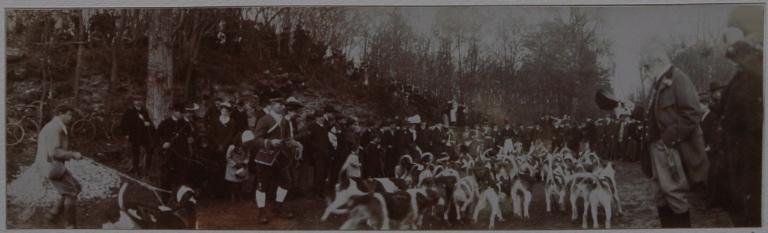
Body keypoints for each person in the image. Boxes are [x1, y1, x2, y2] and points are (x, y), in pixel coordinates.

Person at [642, 45, 707, 228]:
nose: (646, 72)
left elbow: (692, 113)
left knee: (674, 194)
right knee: (660, 195)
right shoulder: (658, 83)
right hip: (659, 148)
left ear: (658, 62)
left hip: (670, 148)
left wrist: (666, 140)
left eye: (647, 67)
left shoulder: (678, 78)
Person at [719, 14, 763, 226]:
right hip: (736, 151)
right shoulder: (739, 77)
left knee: (750, 208)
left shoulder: (756, 70)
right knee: (739, 205)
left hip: (751, 150)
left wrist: (739, 46)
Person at [246, 97, 298, 223]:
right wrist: (270, 142)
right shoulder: (264, 119)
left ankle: (278, 207)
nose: (282, 107)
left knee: (286, 181)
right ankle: (261, 212)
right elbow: (256, 140)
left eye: (283, 104)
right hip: (265, 156)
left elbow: (286, 139)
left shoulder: (285, 121)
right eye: (279, 104)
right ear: (273, 104)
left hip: (281, 156)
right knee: (262, 185)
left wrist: (292, 143)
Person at [38, 105, 83, 229]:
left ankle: (52, 215)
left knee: (76, 187)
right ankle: (70, 226)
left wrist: (71, 154)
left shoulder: (56, 126)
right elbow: (55, 152)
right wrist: (72, 154)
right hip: (51, 166)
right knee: (71, 192)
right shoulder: (54, 128)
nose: (71, 118)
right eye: (69, 115)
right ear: (60, 113)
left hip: (54, 165)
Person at [157, 102, 194, 189]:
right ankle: (165, 193)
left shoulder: (186, 124)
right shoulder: (164, 123)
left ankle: (179, 192)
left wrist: (191, 139)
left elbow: (190, 135)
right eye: (180, 112)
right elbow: (156, 137)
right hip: (168, 153)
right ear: (174, 111)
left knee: (182, 174)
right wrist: (163, 144)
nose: (182, 114)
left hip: (182, 153)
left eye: (183, 112)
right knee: (166, 175)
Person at [119, 97, 154, 176]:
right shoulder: (129, 111)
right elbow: (123, 123)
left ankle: (147, 170)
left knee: (149, 150)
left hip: (144, 136)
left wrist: (148, 124)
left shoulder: (144, 112)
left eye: (140, 100)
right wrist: (126, 134)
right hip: (134, 136)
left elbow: (148, 121)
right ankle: (136, 170)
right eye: (136, 101)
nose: (138, 102)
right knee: (136, 153)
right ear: (133, 102)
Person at [225, 134, 250, 202]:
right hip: (233, 166)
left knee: (240, 182)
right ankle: (232, 195)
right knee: (233, 182)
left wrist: (244, 162)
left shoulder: (246, 148)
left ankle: (240, 195)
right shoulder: (232, 147)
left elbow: (247, 156)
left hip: (242, 165)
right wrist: (234, 164)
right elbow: (228, 157)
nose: (245, 144)